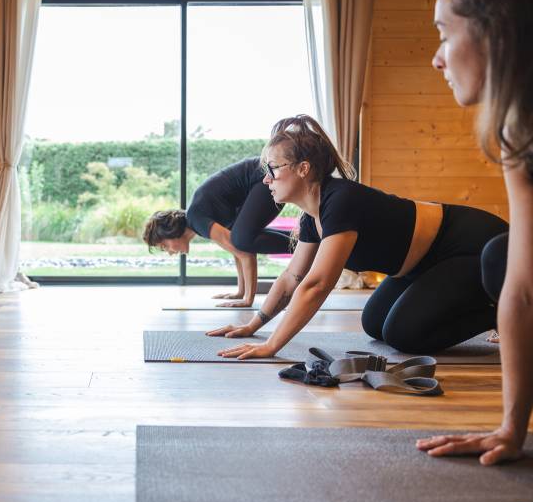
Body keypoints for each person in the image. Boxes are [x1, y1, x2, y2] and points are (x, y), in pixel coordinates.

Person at [208, 114, 508, 359]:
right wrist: (254, 324)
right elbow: (292, 277)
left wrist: (272, 345)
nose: (266, 179)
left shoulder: (340, 200)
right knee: (374, 323)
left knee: (404, 334)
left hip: (469, 247)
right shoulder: (313, 215)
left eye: (272, 168)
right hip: (420, 263)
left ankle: (501, 312)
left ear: (303, 169)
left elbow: (317, 285)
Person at [414, 0, 533, 502]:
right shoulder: (517, 129)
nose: (437, 56)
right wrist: (512, 428)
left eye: (444, 32)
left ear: (493, 31)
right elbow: (522, 289)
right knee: (502, 258)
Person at [143, 157, 291, 307]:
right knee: (241, 239)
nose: (169, 252)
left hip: (267, 176)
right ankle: (307, 242)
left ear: (170, 232)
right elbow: (237, 251)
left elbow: (245, 253)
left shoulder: (197, 219)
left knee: (244, 240)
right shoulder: (198, 219)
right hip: (269, 173)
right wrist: (241, 292)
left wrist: (247, 299)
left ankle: (306, 244)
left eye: (164, 246)